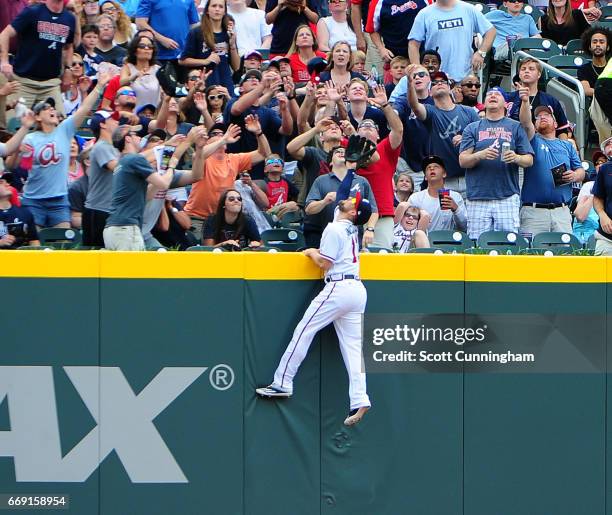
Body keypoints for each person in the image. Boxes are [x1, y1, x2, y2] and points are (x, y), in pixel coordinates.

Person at [255, 143, 375, 427]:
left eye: (352, 202)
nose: (348, 199)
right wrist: (353, 169)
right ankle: (360, 399)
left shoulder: (336, 227)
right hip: (357, 290)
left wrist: (309, 252)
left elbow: (325, 263)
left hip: (338, 287)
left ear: (350, 211)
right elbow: (345, 195)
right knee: (353, 348)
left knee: (303, 330)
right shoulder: (347, 223)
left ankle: (282, 382)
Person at [20, 74, 111, 229]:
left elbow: (84, 108)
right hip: (34, 199)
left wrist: (99, 86)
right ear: (37, 117)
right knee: (35, 247)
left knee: (65, 242)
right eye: (46, 108)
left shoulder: (64, 130)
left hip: (59, 199)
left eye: (53, 107)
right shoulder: (30, 139)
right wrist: (24, 154)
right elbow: (24, 167)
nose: (52, 109)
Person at [459, 87, 534, 240]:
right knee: (477, 245)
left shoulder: (515, 126)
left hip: (507, 196)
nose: (492, 96)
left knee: (508, 244)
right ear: (484, 103)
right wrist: (480, 155)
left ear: (506, 104)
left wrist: (516, 158)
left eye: (497, 94)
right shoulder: (472, 128)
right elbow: (463, 161)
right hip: (477, 196)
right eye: (489, 94)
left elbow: (529, 160)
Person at [184, 118, 270, 241]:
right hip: (197, 217)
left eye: (223, 133)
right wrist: (223, 139)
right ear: (207, 141)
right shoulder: (204, 157)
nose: (222, 136)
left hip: (222, 219)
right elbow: (198, 155)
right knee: (200, 252)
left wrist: (259, 133)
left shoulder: (235, 159)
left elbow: (264, 153)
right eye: (215, 134)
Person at [518, 96, 584, 236]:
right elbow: (525, 122)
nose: (542, 117)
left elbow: (581, 171)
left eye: (547, 115)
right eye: (538, 117)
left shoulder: (567, 145)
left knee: (564, 253)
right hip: (534, 211)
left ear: (555, 124)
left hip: (562, 211)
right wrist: (525, 101)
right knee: (531, 254)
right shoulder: (532, 140)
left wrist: (574, 175)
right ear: (534, 125)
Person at [408, 68, 480, 196]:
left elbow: (482, 139)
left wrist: (466, 138)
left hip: (470, 178)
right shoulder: (431, 112)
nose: (439, 83)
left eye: (443, 81)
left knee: (471, 216)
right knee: (445, 215)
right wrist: (410, 83)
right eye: (434, 83)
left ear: (449, 87)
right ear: (430, 92)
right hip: (445, 181)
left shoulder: (469, 112)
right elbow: (415, 106)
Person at [103, 126, 175, 251]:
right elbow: (164, 184)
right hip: (126, 229)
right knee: (133, 270)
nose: (139, 137)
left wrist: (162, 171)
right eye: (135, 134)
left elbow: (147, 195)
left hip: (115, 228)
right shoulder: (134, 159)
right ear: (128, 139)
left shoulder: (123, 161)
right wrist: (171, 167)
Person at [0, 0, 77, 115]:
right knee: (12, 128)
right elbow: (5, 34)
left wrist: (67, 69)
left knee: (59, 127)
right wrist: (4, 61)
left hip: (51, 84)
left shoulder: (70, 19)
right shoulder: (32, 12)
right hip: (23, 82)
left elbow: (68, 46)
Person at [304, 141, 378, 248]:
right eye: (337, 152)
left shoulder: (362, 181)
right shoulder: (321, 180)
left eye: (345, 152)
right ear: (330, 162)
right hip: (327, 236)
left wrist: (370, 229)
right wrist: (324, 201)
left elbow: (373, 210)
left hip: (354, 237)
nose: (341, 153)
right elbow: (308, 209)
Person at [355, 84, 403, 249]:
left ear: (378, 134)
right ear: (356, 132)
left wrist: (385, 106)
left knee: (381, 258)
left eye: (372, 126)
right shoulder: (349, 147)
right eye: (362, 125)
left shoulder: (385, 148)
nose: (367, 126)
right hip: (350, 214)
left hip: (382, 214)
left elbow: (398, 130)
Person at [408, 0, 496, 82]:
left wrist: (481, 53)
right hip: (436, 79)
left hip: (464, 78)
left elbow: (491, 31)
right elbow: (413, 44)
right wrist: (419, 71)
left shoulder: (468, 9)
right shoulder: (424, 14)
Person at [179, 0, 241, 93]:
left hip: (225, 85)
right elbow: (182, 60)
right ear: (207, 10)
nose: (217, 9)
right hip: (203, 86)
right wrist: (205, 61)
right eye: (214, 6)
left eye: (221, 7)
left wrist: (232, 44)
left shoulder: (228, 33)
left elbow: (236, 67)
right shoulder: (196, 33)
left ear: (225, 11)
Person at [82, 110, 121, 247]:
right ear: (102, 124)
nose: (117, 121)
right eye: (112, 119)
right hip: (98, 211)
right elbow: (118, 168)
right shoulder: (100, 147)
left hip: (106, 210)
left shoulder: (112, 149)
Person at [506, 57, 570, 137]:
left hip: (543, 144)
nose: (526, 71)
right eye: (523, 69)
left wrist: (563, 147)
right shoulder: (508, 98)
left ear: (539, 74)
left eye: (531, 69)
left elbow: (562, 129)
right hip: (513, 142)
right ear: (519, 74)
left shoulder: (550, 100)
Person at [391, 64, 433, 188]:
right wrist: (386, 108)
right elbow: (394, 114)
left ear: (429, 79)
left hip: (432, 161)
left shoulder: (436, 101)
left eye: (421, 75)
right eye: (413, 76)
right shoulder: (403, 100)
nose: (417, 78)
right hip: (407, 163)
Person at [403, 155, 467, 232]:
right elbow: (406, 226)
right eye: (428, 168)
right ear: (425, 177)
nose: (431, 168)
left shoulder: (455, 197)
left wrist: (456, 209)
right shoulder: (415, 198)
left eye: (436, 166)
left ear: (444, 174)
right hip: (424, 241)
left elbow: (464, 227)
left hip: (449, 241)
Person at [136, 0, 199, 65]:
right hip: (159, 55)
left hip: (183, 56)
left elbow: (194, 25)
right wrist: (162, 39)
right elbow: (140, 24)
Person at [119, 35, 161, 110]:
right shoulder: (128, 67)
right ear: (135, 51)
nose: (147, 48)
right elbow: (122, 82)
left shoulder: (158, 70)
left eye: (150, 46)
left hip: (154, 115)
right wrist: (135, 76)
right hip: (134, 115)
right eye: (142, 46)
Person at [573, 151, 606, 244]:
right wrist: (596, 192)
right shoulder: (588, 186)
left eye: (604, 162)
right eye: (597, 163)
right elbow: (580, 216)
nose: (599, 165)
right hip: (587, 239)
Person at [0, 171, 39, 249]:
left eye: (7, 182)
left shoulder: (24, 212)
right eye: (1, 182)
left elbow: (34, 241)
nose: (7, 184)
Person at [591, 137, 612, 255]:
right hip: (607, 238)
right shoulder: (604, 168)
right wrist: (602, 214)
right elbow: (598, 197)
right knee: (600, 273)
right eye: (608, 144)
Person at [578, 27, 611, 98]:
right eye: (594, 42)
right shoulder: (584, 69)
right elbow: (586, 90)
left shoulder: (610, 67)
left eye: (601, 42)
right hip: (593, 106)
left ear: (608, 47)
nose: (598, 44)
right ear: (589, 47)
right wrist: (606, 93)